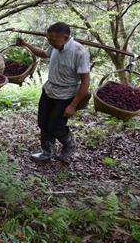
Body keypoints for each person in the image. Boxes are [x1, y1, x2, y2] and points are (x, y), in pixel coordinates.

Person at [16, 22, 90, 164]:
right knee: (43, 122)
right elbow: (44, 54)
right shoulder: (55, 45)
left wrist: (73, 106)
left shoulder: (79, 52)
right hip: (49, 90)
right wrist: (25, 45)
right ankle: (46, 152)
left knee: (56, 126)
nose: (50, 42)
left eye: (53, 40)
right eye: (48, 40)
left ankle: (69, 144)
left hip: (66, 95)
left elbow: (85, 82)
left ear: (66, 37)